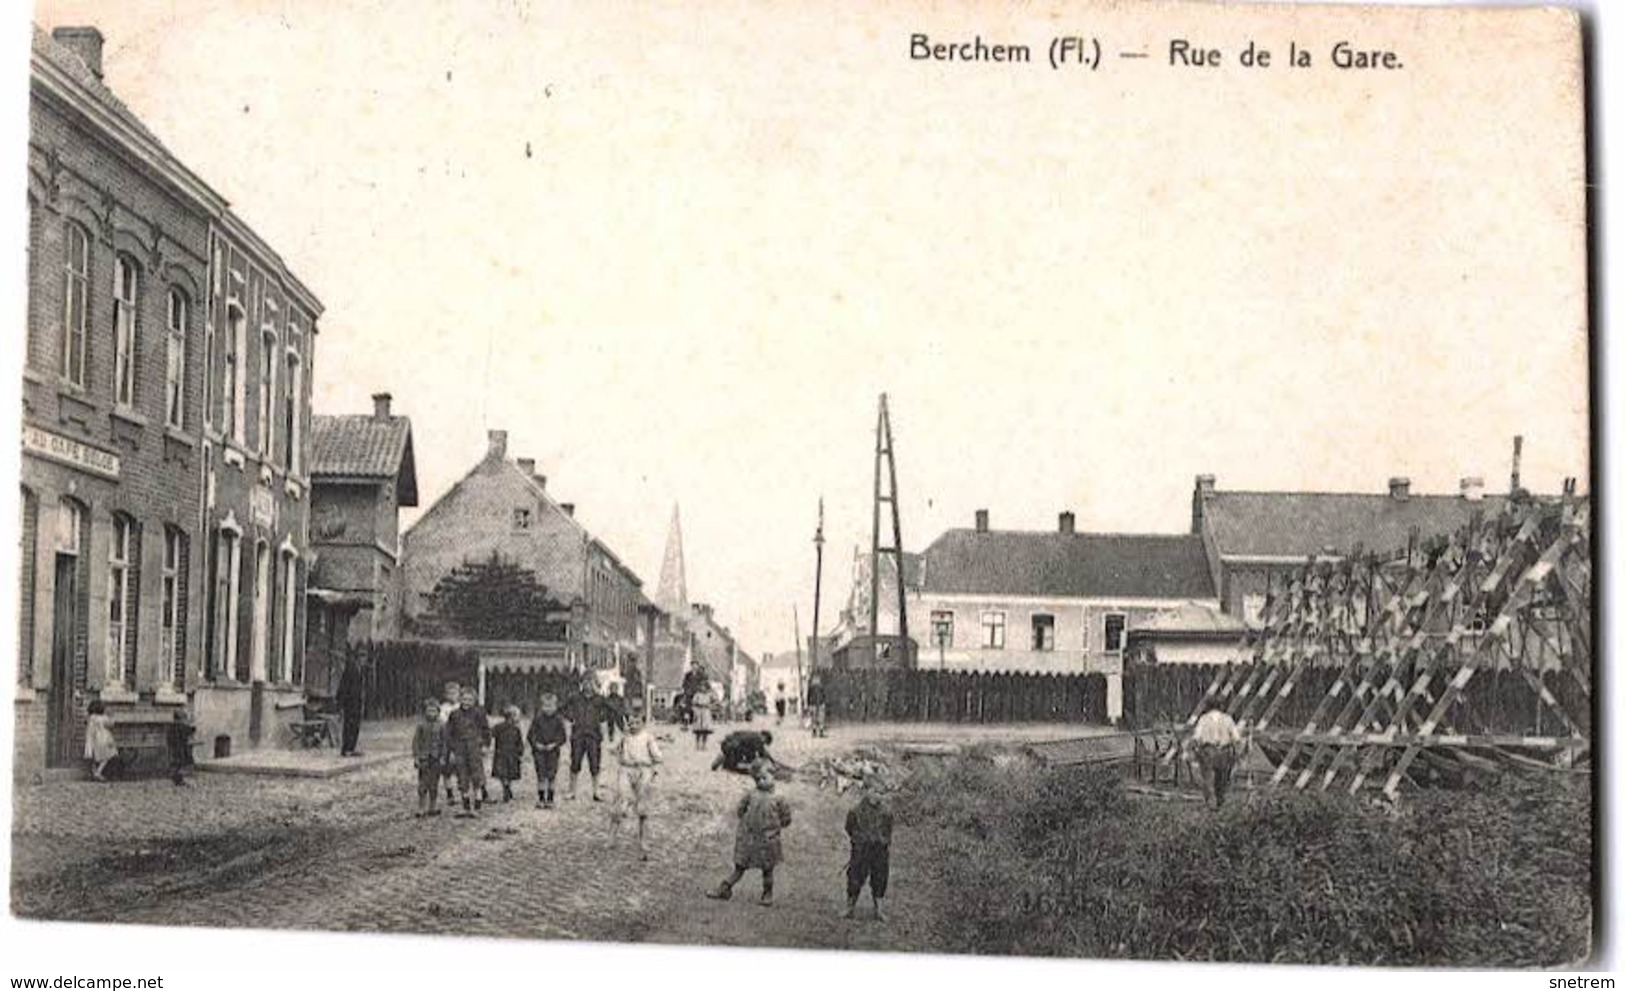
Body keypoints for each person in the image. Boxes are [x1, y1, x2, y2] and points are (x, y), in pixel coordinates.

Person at [706, 765, 793, 906]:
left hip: (753, 836)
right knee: (758, 868)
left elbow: (740, 811)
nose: (764, 780)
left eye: (766, 777)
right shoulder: (774, 798)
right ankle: (763, 894)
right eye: (761, 778)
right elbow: (786, 819)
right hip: (762, 837)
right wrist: (776, 826)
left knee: (754, 868)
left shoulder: (758, 796)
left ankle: (763, 893)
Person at [609, 708, 663, 861]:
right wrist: (621, 740)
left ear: (643, 724)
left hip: (643, 770)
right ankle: (612, 835)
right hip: (626, 770)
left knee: (642, 808)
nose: (633, 726)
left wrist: (653, 767)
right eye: (630, 723)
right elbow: (612, 749)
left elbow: (658, 756)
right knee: (621, 801)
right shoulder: (625, 737)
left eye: (637, 723)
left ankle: (643, 840)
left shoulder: (648, 738)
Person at [843, 778, 894, 921]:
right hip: (861, 850)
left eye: (880, 792)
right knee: (855, 877)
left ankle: (879, 910)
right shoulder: (855, 811)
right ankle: (850, 908)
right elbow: (849, 828)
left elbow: (888, 830)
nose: (876, 795)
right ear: (866, 791)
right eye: (873, 791)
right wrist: (859, 841)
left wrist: (882, 841)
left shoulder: (886, 812)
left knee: (880, 878)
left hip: (879, 851)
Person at [445, 689, 492, 817]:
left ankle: (477, 805)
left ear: (474, 700)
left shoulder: (479, 713)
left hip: (474, 747)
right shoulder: (454, 714)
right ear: (460, 699)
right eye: (464, 699)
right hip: (459, 748)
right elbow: (449, 734)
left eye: (470, 700)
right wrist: (451, 750)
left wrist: (486, 745)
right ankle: (465, 806)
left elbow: (486, 730)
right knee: (462, 776)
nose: (466, 702)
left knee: (476, 775)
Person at [1189, 702, 1245, 809]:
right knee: (1222, 778)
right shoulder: (1228, 719)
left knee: (1207, 777)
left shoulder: (1203, 719)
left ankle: (1210, 802)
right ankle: (1220, 800)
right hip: (1224, 751)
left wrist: (1194, 749)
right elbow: (1236, 737)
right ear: (1221, 707)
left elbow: (1196, 736)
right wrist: (1237, 751)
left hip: (1208, 751)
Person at [564, 679, 608, 801]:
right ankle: (572, 791)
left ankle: (596, 791)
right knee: (575, 763)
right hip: (578, 735)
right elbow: (568, 716)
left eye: (591, 682)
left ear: (595, 684)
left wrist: (604, 737)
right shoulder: (575, 698)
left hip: (593, 736)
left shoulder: (599, 700)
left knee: (595, 764)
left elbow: (603, 719)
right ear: (581, 683)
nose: (588, 685)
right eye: (585, 682)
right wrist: (569, 735)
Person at [527, 692, 568, 808]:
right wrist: (536, 744)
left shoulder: (558, 720)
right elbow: (531, 734)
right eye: (546, 706)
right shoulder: (537, 719)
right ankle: (540, 798)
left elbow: (563, 736)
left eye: (551, 706)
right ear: (542, 706)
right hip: (539, 751)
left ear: (555, 706)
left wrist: (555, 744)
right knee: (541, 774)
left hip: (553, 751)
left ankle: (550, 799)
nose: (548, 709)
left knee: (551, 775)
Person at [412, 699, 448, 818]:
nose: (431, 713)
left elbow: (444, 743)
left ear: (438, 712)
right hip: (424, 758)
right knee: (422, 784)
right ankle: (421, 807)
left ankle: (432, 806)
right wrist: (416, 757)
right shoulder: (421, 725)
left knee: (434, 784)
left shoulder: (442, 725)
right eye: (429, 711)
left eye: (434, 711)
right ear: (425, 712)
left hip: (436, 758)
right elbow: (416, 742)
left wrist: (443, 757)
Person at [491, 704, 525, 803]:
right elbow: (491, 734)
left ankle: (507, 788)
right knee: (505, 773)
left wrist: (520, 751)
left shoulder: (515, 729)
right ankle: (507, 789)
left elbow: (519, 742)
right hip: (504, 753)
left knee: (506, 774)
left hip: (508, 754)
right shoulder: (501, 727)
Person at [336, 653, 366, 757]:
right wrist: (341, 703)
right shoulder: (351, 669)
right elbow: (344, 686)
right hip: (350, 702)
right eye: (363, 658)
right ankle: (346, 748)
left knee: (355, 726)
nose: (364, 661)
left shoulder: (359, 670)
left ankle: (351, 748)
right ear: (359, 658)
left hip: (356, 702)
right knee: (349, 725)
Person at [711, 729, 776, 774]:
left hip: (726, 745)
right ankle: (725, 760)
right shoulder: (757, 738)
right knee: (746, 758)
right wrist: (773, 762)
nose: (764, 743)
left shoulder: (751, 733)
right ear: (764, 737)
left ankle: (724, 760)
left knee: (746, 753)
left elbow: (732, 734)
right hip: (732, 748)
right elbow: (762, 752)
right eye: (765, 741)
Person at [438, 681, 461, 805]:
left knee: (461, 768)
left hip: (459, 740)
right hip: (447, 739)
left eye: (455, 693)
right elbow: (443, 722)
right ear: (446, 695)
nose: (452, 695)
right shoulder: (443, 708)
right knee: (447, 769)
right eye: (450, 693)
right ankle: (450, 794)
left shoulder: (461, 706)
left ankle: (464, 792)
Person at [84, 700, 118, 782]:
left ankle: (93, 772)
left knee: (93, 758)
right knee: (106, 757)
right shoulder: (103, 718)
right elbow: (111, 724)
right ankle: (98, 772)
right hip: (103, 740)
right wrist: (112, 716)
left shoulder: (90, 718)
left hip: (92, 741)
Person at [167, 709, 196, 787]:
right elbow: (191, 731)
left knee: (176, 764)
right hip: (182, 749)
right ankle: (184, 779)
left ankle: (177, 779)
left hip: (174, 749)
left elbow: (169, 738)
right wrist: (191, 723)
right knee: (185, 763)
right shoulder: (183, 726)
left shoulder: (171, 727)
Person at [691, 681, 714, 751]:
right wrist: (695, 711)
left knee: (705, 731)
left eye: (704, 687)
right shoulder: (697, 695)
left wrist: (710, 706)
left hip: (706, 712)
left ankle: (704, 745)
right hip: (699, 712)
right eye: (701, 686)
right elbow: (693, 703)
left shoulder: (709, 695)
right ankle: (697, 745)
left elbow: (714, 702)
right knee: (698, 730)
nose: (702, 688)